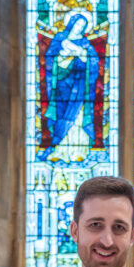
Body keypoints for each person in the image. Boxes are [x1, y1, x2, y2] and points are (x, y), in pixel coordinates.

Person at [42, 11, 99, 162]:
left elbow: (94, 64)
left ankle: (78, 150)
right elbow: (49, 59)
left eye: (83, 26)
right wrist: (61, 57)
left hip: (79, 85)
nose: (79, 28)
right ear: (71, 23)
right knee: (62, 114)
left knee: (77, 115)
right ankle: (60, 150)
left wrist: (82, 54)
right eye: (78, 24)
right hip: (62, 87)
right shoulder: (60, 38)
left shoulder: (86, 43)